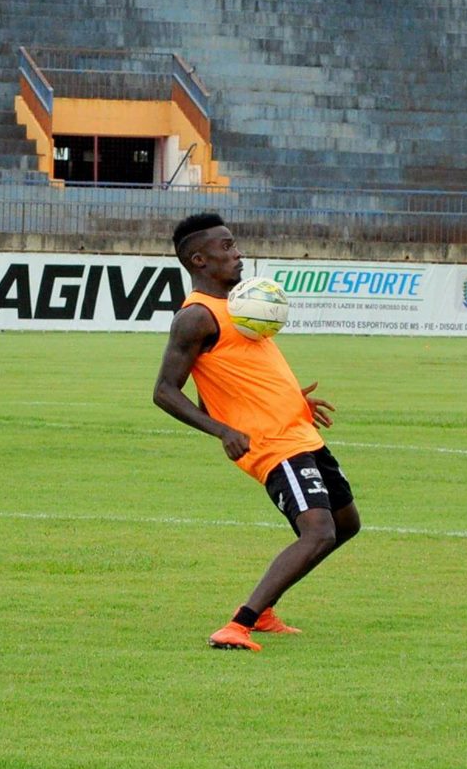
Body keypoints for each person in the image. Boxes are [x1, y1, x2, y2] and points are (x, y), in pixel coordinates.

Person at [153, 212, 361, 651]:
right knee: (319, 530)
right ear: (199, 259)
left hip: (300, 433)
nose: (238, 253)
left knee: (346, 524)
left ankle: (264, 612)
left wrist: (293, 400)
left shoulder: (243, 307)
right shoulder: (196, 317)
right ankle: (239, 624)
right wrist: (221, 430)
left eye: (235, 244)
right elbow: (165, 392)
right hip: (271, 445)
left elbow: (233, 378)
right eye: (226, 247)